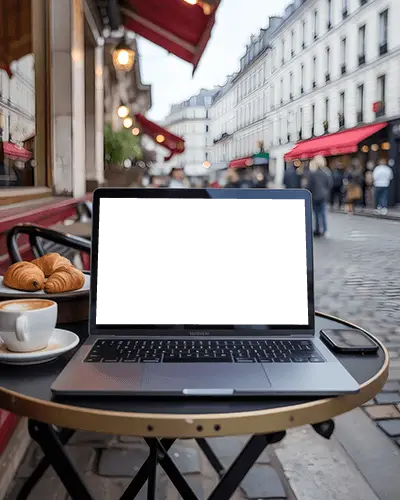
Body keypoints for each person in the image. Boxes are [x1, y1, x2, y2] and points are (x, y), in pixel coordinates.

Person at [306, 155, 332, 237]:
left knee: (316, 213)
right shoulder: (326, 172)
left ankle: (317, 230)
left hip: (314, 195)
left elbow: (309, 186)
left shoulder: (313, 173)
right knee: (323, 213)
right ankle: (325, 230)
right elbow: (330, 184)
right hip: (323, 195)